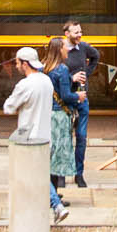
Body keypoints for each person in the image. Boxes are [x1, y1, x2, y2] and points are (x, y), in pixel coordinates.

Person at [2, 44, 68, 222]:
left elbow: (8, 108)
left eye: (17, 62)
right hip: (46, 135)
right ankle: (38, 211)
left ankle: (56, 205)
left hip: (28, 138)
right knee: (39, 174)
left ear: (25, 64)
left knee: (34, 176)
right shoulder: (46, 81)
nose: (16, 66)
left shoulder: (24, 84)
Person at [42, 36, 83, 200]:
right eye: (66, 47)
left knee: (50, 155)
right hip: (60, 115)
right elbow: (66, 96)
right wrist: (78, 96)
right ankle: (53, 197)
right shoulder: (62, 69)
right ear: (60, 49)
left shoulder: (45, 68)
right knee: (58, 157)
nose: (68, 50)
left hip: (48, 114)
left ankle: (51, 194)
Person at [60, 20, 99, 187]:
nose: (79, 35)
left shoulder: (83, 47)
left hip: (82, 99)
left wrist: (87, 73)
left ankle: (79, 174)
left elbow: (95, 56)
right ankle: (61, 174)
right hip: (65, 100)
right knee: (64, 138)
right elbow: (52, 73)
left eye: (80, 31)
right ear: (67, 34)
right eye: (76, 32)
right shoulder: (59, 49)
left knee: (81, 137)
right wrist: (71, 78)